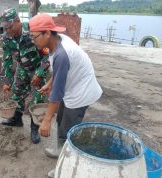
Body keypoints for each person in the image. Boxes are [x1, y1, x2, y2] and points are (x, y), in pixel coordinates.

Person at [29, 14, 103, 177]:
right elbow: (58, 71)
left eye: (34, 37)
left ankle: (65, 167)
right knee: (61, 120)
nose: (32, 40)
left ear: (47, 33)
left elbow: (57, 94)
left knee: (69, 131)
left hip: (80, 93)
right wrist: (49, 84)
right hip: (73, 86)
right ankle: (59, 151)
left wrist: (46, 121)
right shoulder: (56, 41)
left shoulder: (62, 53)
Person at [0, 8, 50, 144]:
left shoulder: (33, 32)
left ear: (17, 21)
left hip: (38, 68)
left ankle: (34, 127)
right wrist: (6, 80)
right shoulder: (6, 38)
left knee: (38, 98)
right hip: (23, 68)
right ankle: (16, 119)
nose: (7, 30)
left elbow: (48, 56)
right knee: (17, 94)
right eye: (5, 27)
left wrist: (39, 74)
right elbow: (6, 60)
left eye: (9, 27)